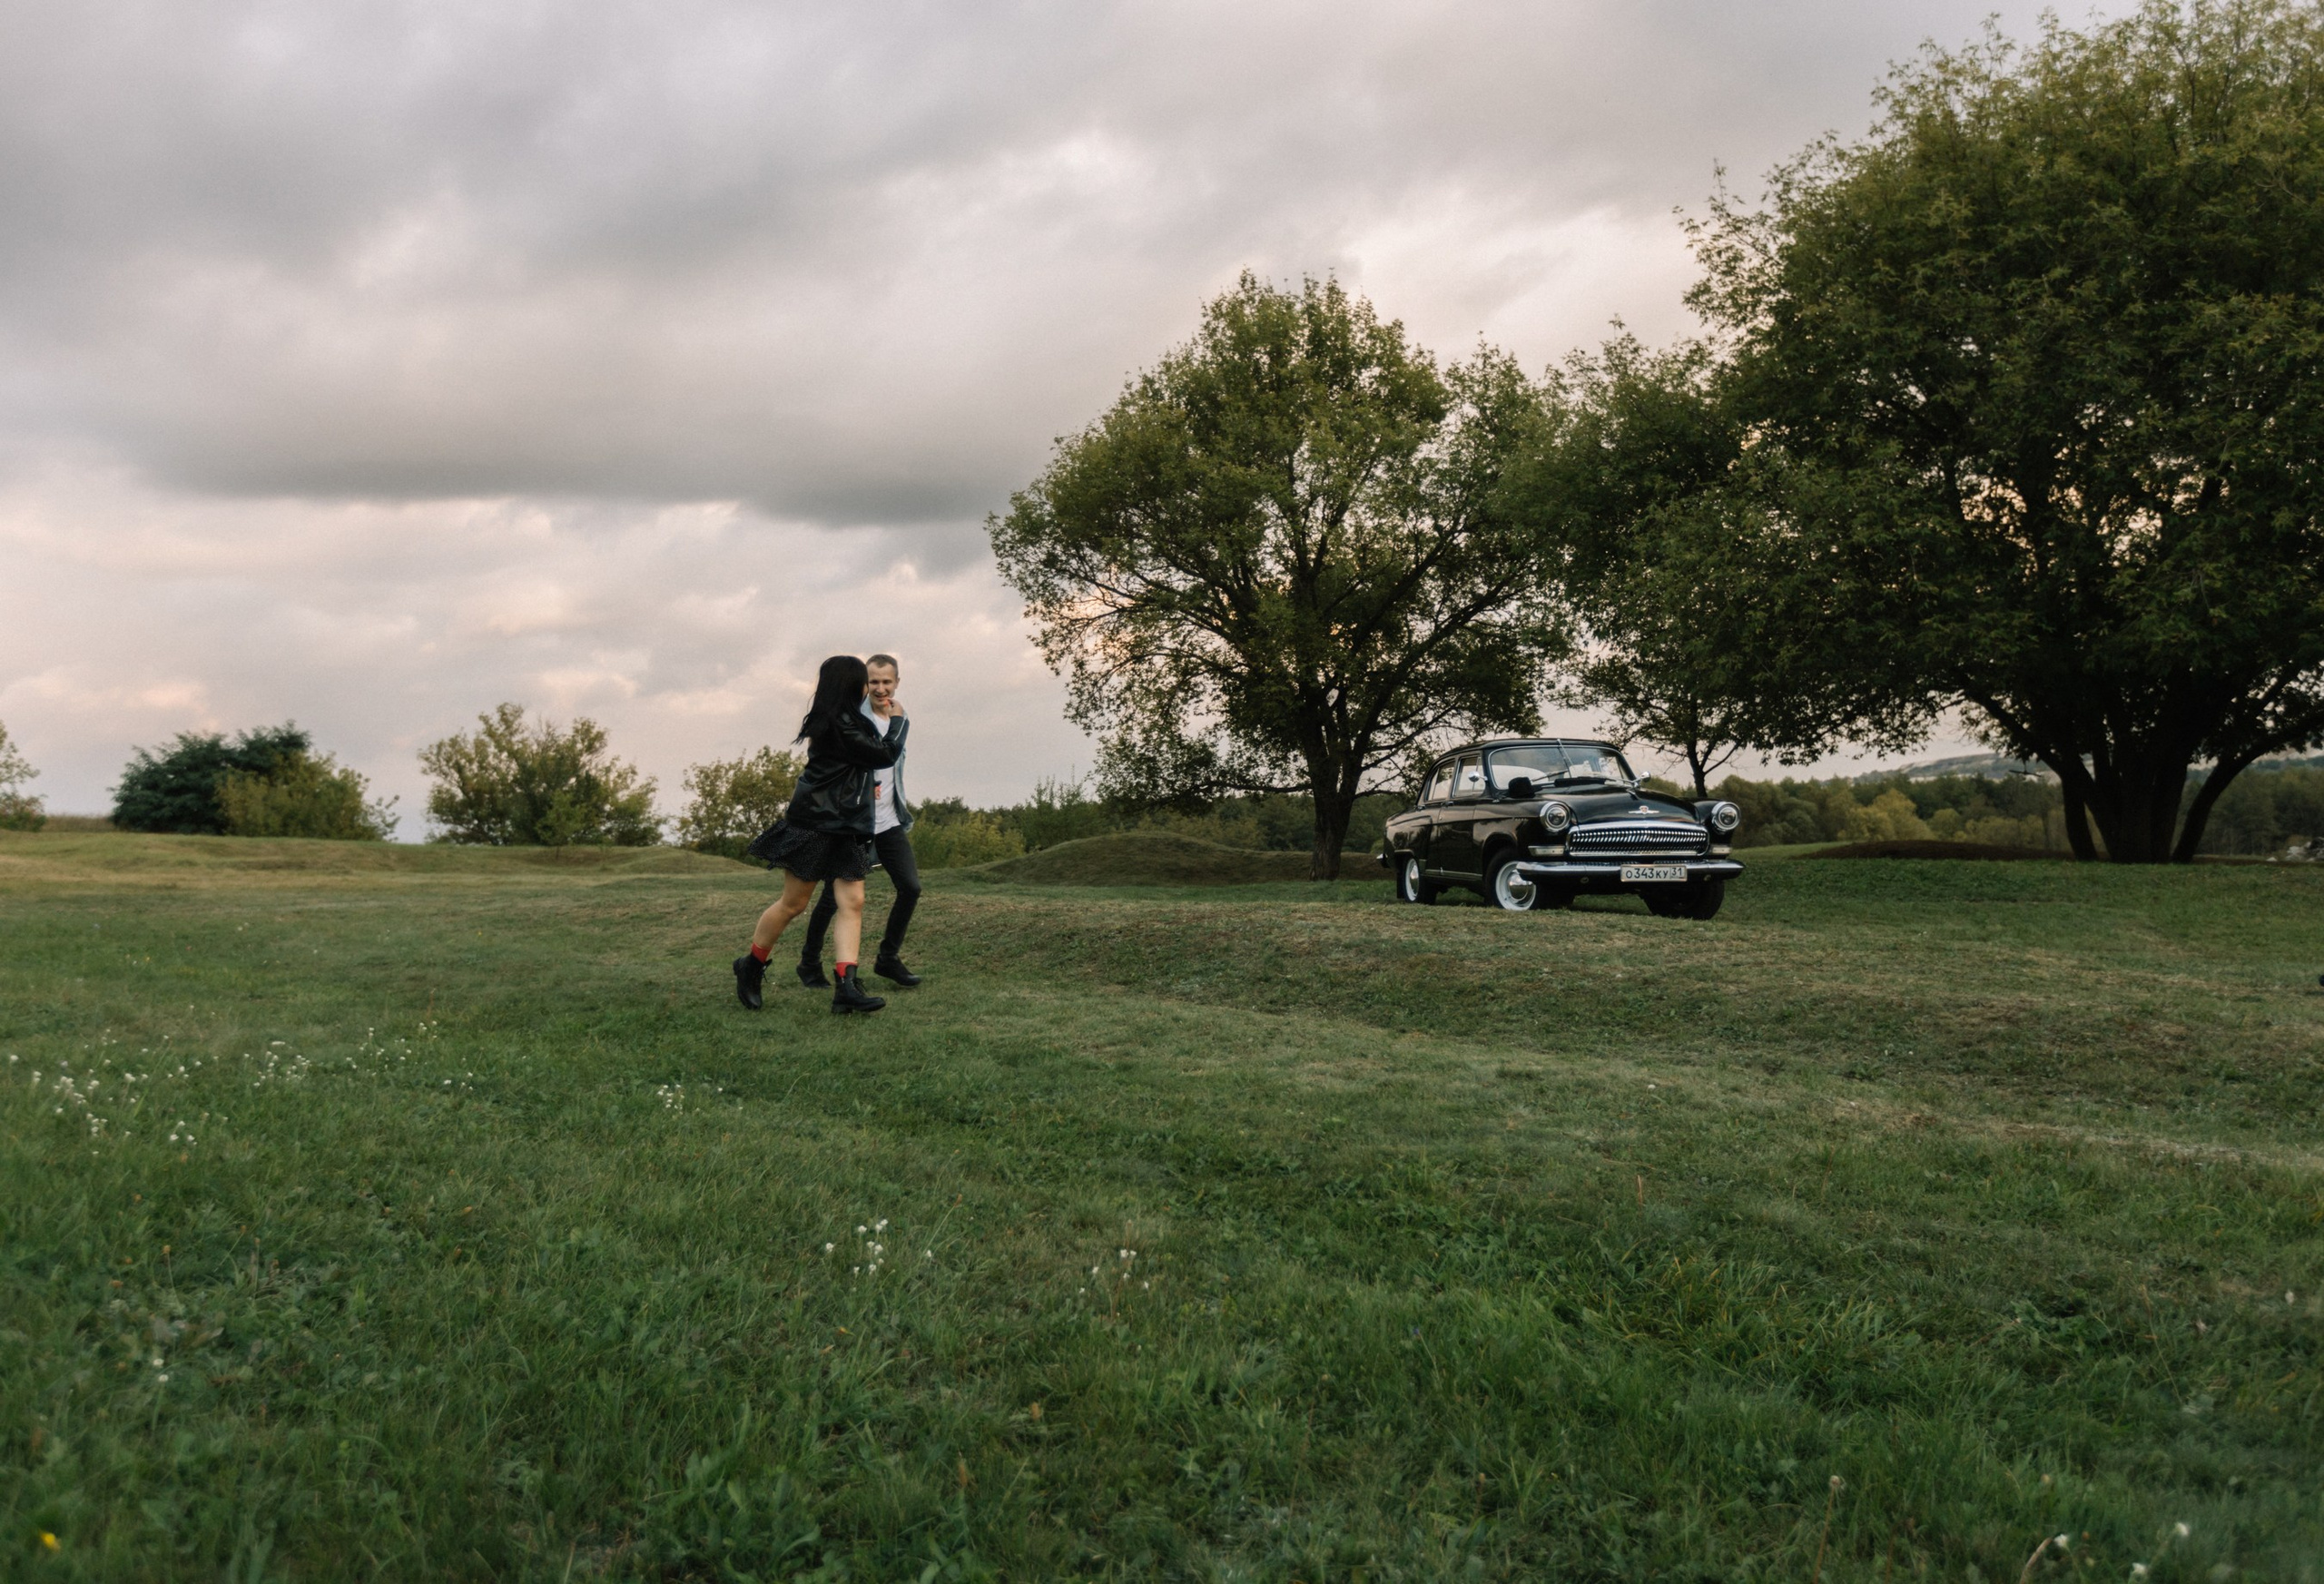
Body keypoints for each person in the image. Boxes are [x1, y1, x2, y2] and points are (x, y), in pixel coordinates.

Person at [732, 654, 901, 1015]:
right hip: (816, 823)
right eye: (863, 681)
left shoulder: (850, 722)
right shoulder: (839, 724)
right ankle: (751, 965)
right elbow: (885, 755)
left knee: (852, 902)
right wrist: (899, 719)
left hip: (847, 827)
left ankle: (846, 987)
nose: (867, 688)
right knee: (794, 904)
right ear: (850, 686)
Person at [795, 653, 922, 989]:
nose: (880, 688)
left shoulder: (898, 714)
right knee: (832, 898)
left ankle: (888, 959)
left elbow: (893, 768)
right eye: (874, 681)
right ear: (864, 684)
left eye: (887, 682)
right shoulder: (854, 717)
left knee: (910, 887)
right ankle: (809, 963)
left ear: (897, 682)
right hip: (856, 821)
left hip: (889, 819)